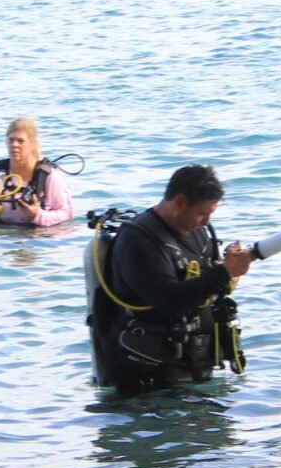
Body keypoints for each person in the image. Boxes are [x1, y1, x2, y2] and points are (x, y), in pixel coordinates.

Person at [89, 164, 253, 393]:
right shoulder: (138, 241)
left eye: (209, 214)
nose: (206, 222)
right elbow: (169, 301)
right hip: (152, 384)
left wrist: (226, 276)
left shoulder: (197, 232)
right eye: (201, 213)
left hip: (195, 373)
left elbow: (204, 285)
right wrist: (223, 273)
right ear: (179, 202)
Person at [0, 116, 74, 226]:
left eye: (20, 141)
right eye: (11, 140)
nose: (14, 145)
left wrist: (37, 215)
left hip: (40, 236)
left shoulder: (47, 176)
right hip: (1, 237)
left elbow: (67, 215)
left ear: (32, 144)